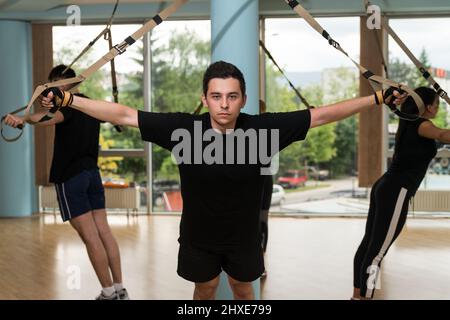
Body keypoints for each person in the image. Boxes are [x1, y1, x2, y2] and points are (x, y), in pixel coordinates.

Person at [40, 61, 406, 300]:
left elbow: (323, 115)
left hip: (244, 238)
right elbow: (123, 113)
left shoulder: (265, 129)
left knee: (245, 290)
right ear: (206, 98)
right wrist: (70, 99)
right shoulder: (185, 130)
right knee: (206, 287)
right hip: (199, 237)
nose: (224, 105)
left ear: (243, 99)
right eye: (216, 96)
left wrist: (376, 98)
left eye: (232, 97)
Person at [4, 65, 129, 300]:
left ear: (62, 84)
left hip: (71, 177)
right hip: (92, 175)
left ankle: (108, 293)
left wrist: (23, 119)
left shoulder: (67, 105)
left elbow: (51, 118)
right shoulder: (90, 105)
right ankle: (119, 289)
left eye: (51, 85)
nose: (48, 90)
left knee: (91, 237)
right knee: (104, 233)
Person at [352, 87, 445, 300]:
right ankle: (364, 297)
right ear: (428, 106)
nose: (438, 108)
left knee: (370, 244)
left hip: (386, 186)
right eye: (437, 104)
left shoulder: (408, 120)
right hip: (396, 190)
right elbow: (442, 135)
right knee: (377, 252)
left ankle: (358, 295)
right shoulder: (422, 124)